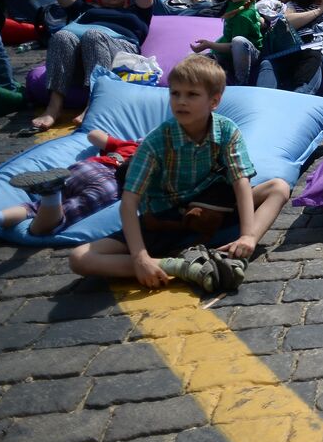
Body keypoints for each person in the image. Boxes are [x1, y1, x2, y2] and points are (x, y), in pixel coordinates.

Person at [67, 55, 291, 293]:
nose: (181, 101)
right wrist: (140, 257)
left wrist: (248, 235)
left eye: (192, 95)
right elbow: (129, 202)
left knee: (279, 187)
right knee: (80, 258)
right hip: (163, 221)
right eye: (175, 94)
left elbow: (241, 182)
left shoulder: (227, 130)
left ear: (214, 101)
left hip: (210, 211)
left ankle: (239, 252)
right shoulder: (155, 142)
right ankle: (179, 266)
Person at [0, 129, 138, 245]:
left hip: (87, 167)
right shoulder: (158, 154)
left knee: (33, 207)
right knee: (49, 224)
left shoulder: (131, 145)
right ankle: (51, 193)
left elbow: (93, 135)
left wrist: (113, 141)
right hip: (113, 184)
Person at [30, 0, 156, 131]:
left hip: (118, 49)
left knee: (93, 35)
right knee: (62, 36)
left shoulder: (139, 12)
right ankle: (53, 108)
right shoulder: (85, 9)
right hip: (80, 55)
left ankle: (94, 105)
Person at [190, 0, 263, 86]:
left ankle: (241, 81)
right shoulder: (235, 2)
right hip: (229, 49)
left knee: (238, 42)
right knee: (193, 64)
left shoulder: (243, 15)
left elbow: (233, 46)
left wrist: (209, 45)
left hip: (248, 54)